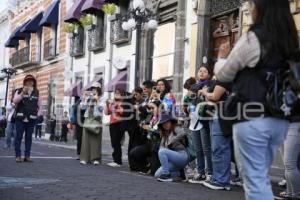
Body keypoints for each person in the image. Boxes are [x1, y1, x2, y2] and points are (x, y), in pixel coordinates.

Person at [214, 0, 299, 199]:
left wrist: (221, 58)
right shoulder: (290, 41)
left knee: (254, 180)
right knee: (259, 176)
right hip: (279, 119)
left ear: (261, 9)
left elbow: (225, 75)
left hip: (252, 116)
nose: (249, 10)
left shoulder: (254, 38)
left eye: (252, 5)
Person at [187, 68, 213, 184]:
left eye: (204, 71)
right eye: (199, 71)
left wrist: (203, 93)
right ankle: (201, 172)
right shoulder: (194, 87)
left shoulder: (210, 85)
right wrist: (188, 107)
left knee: (206, 147)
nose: (201, 73)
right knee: (197, 148)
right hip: (194, 119)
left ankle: (210, 173)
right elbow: (190, 100)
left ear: (208, 75)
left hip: (204, 119)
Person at [13, 74, 43, 163]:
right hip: (20, 118)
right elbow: (15, 101)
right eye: (28, 80)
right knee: (18, 137)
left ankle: (27, 156)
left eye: (31, 80)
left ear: (34, 82)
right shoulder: (19, 90)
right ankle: (18, 156)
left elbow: (40, 106)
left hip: (31, 119)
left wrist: (38, 115)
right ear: (24, 82)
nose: (30, 82)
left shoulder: (37, 92)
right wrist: (23, 93)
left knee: (28, 138)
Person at [154, 114, 189, 182]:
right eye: (163, 123)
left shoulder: (175, 128)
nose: (166, 125)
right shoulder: (164, 135)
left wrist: (172, 141)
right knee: (157, 174)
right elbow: (161, 147)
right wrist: (165, 147)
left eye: (167, 122)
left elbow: (183, 133)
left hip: (182, 155)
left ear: (171, 122)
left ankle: (166, 175)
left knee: (162, 151)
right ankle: (179, 175)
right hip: (173, 160)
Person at [80, 82, 103, 165]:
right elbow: (82, 107)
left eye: (96, 89)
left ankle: (95, 159)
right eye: (92, 88)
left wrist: (97, 100)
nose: (94, 90)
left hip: (96, 120)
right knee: (86, 139)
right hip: (88, 119)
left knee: (96, 140)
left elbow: (101, 109)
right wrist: (85, 98)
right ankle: (85, 158)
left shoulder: (102, 98)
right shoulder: (89, 98)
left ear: (99, 90)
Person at [105, 89, 125, 167]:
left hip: (119, 123)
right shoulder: (113, 101)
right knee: (113, 142)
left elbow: (123, 112)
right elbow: (107, 113)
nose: (116, 95)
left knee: (117, 141)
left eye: (118, 93)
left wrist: (116, 106)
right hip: (112, 123)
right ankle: (115, 159)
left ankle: (118, 161)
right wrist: (107, 104)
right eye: (115, 93)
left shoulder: (124, 102)